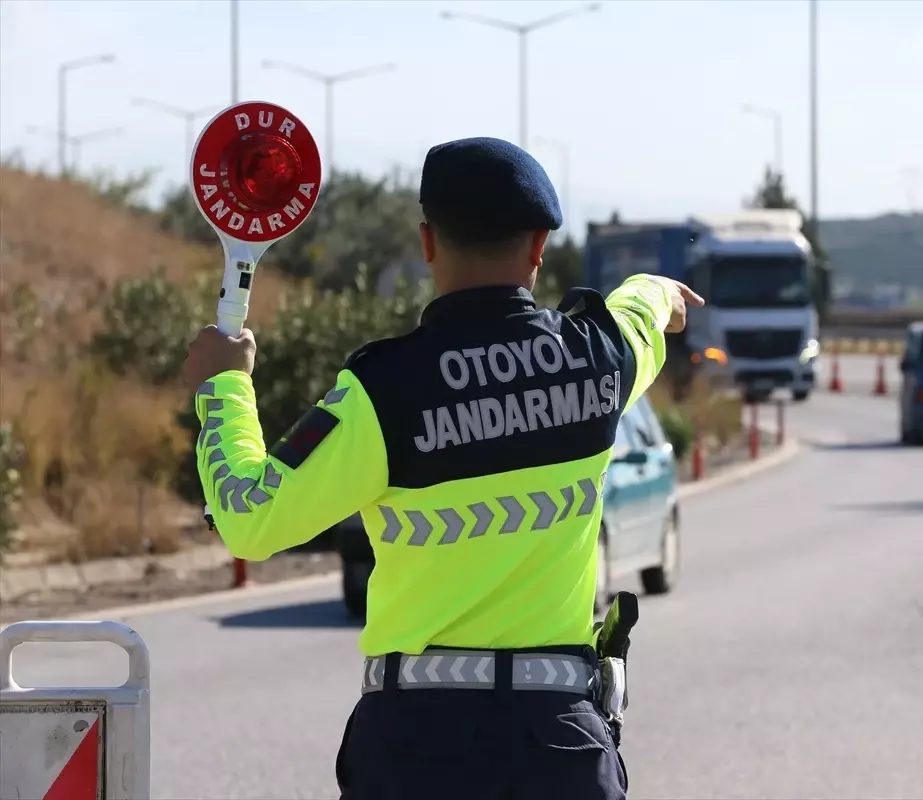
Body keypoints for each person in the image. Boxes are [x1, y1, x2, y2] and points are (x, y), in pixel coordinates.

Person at [182, 136, 704, 800]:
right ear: (540, 245)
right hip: (559, 745)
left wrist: (223, 387)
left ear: (428, 243)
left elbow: (250, 521)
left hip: (414, 751)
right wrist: (661, 290)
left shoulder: (383, 390)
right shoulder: (600, 357)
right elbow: (640, 311)